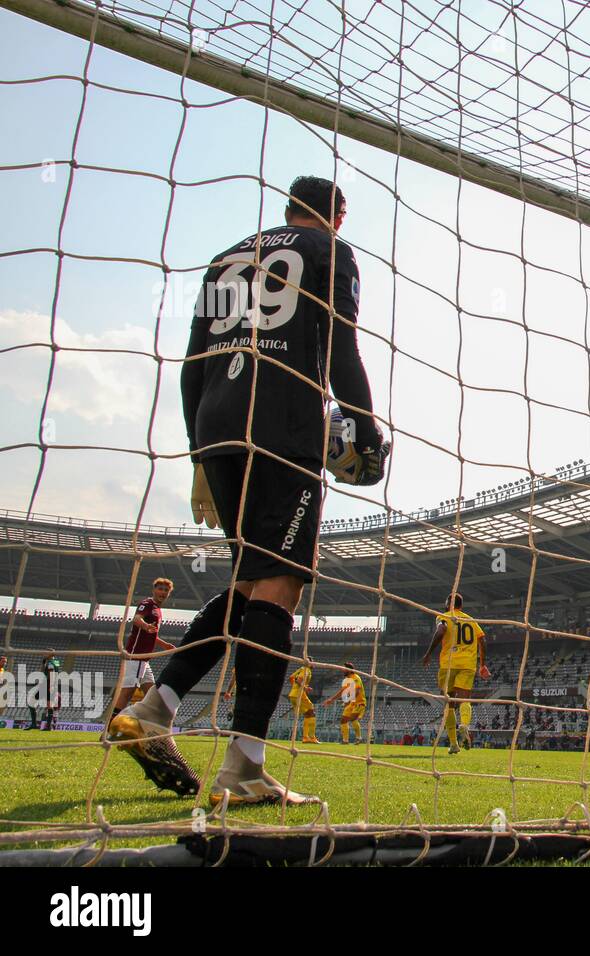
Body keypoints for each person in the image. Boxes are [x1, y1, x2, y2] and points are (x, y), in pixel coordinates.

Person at [108, 176, 388, 804]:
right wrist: (364, 427)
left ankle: (157, 707)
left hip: (216, 425)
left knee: (245, 586)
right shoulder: (328, 252)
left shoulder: (224, 258)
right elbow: (340, 345)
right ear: (337, 216)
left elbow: (192, 362)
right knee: (280, 586)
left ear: (288, 206)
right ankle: (245, 766)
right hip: (283, 425)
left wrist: (199, 458)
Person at [421, 593, 490, 754]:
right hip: (467, 664)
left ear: (448, 603)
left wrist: (429, 653)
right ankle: (464, 725)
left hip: (449, 664)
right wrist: (483, 664)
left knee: (449, 704)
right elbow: (483, 640)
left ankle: (453, 743)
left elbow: (440, 631)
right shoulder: (470, 620)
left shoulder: (444, 616)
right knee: (465, 699)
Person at [109, 578, 177, 724]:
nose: (163, 592)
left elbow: (152, 634)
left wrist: (164, 644)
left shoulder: (158, 610)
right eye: (160, 589)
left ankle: (145, 725)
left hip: (144, 660)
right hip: (136, 656)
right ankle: (109, 727)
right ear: (154, 590)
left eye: (166, 590)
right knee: (127, 693)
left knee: (151, 693)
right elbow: (137, 619)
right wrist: (146, 626)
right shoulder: (147, 604)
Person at [322, 661, 367, 744]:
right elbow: (341, 692)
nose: (342, 670)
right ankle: (345, 741)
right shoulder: (346, 680)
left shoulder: (356, 677)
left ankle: (359, 738)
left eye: (344, 669)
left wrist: (348, 700)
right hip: (351, 703)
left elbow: (357, 691)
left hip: (359, 702)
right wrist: (331, 700)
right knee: (343, 720)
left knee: (353, 719)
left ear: (349, 670)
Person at [287, 656, 318, 743]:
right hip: (299, 694)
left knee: (308, 714)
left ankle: (306, 737)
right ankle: (311, 737)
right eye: (312, 662)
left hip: (293, 694)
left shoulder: (301, 669)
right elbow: (299, 679)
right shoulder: (306, 670)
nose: (314, 663)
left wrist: (295, 687)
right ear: (309, 663)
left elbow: (291, 677)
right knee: (311, 712)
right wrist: (304, 687)